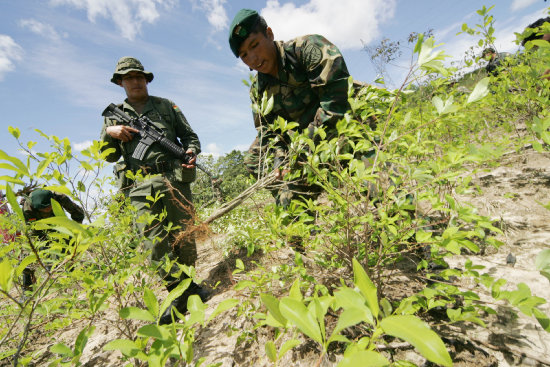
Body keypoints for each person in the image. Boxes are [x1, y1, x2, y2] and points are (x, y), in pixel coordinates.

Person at [99, 56, 208, 325]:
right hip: (138, 185)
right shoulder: (112, 117)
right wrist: (109, 133)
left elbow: (190, 137)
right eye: (128, 78)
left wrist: (191, 151)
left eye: (139, 77)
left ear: (145, 79)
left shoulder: (166, 106)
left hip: (173, 178)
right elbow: (109, 157)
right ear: (121, 83)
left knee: (184, 234)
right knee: (154, 241)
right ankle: (176, 292)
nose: (135, 82)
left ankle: (188, 287)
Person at [228, 9, 352, 208]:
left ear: (269, 34)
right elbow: (269, 132)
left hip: (342, 125)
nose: (252, 57)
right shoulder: (258, 91)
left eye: (255, 45)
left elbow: (335, 104)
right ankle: (293, 194)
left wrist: (299, 153)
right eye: (244, 55)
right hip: (300, 146)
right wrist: (280, 160)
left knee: (384, 188)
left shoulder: (308, 48)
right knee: (255, 160)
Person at [20, 189, 85, 293]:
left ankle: (71, 277)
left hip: (59, 225)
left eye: (50, 206)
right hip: (38, 228)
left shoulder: (59, 198)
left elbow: (78, 213)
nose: (48, 209)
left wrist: (75, 233)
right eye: (44, 209)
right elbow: (33, 232)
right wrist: (45, 253)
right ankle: (27, 290)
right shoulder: (27, 208)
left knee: (67, 249)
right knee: (27, 254)